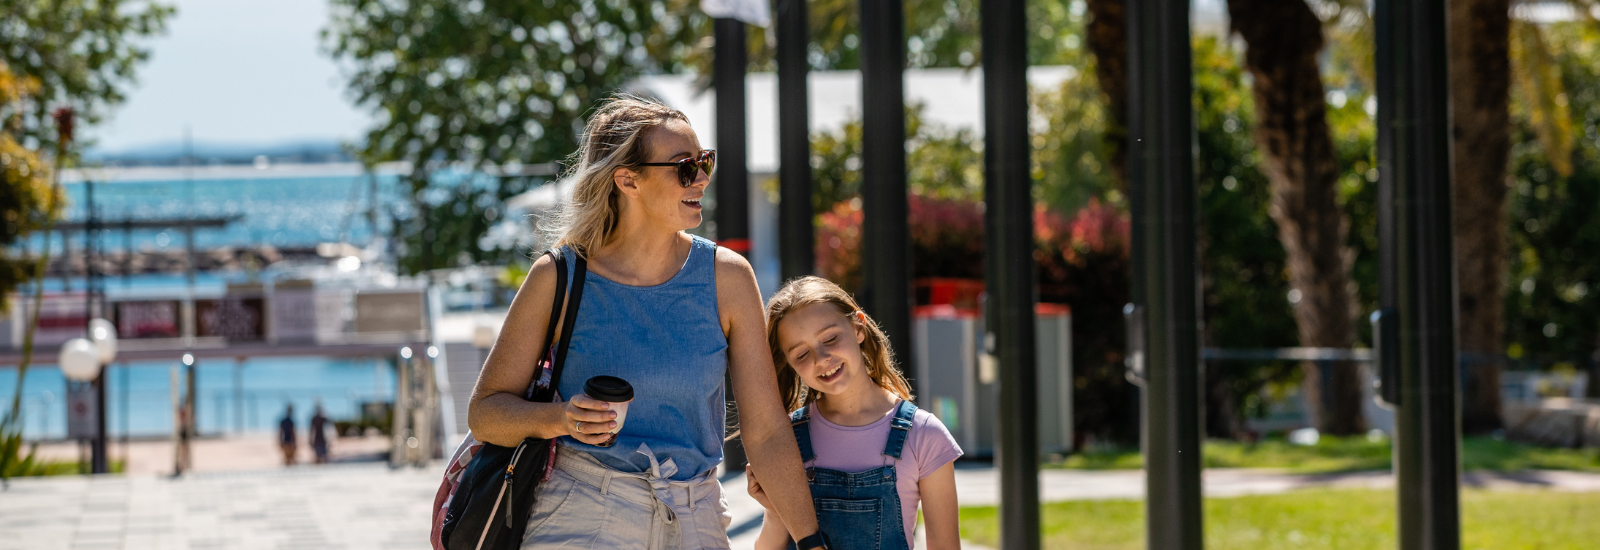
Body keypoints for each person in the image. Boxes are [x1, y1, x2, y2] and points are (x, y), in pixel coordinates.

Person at [468, 95, 824, 550]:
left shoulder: (727, 277)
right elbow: (486, 414)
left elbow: (767, 430)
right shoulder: (558, 277)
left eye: (704, 162)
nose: (700, 179)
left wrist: (810, 541)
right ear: (627, 180)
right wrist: (562, 418)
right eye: (683, 167)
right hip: (581, 513)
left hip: (695, 517)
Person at [748, 277, 963, 550]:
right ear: (790, 364)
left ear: (858, 326)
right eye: (802, 354)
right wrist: (776, 510)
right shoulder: (786, 438)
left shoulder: (924, 435)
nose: (821, 358)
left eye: (830, 338)